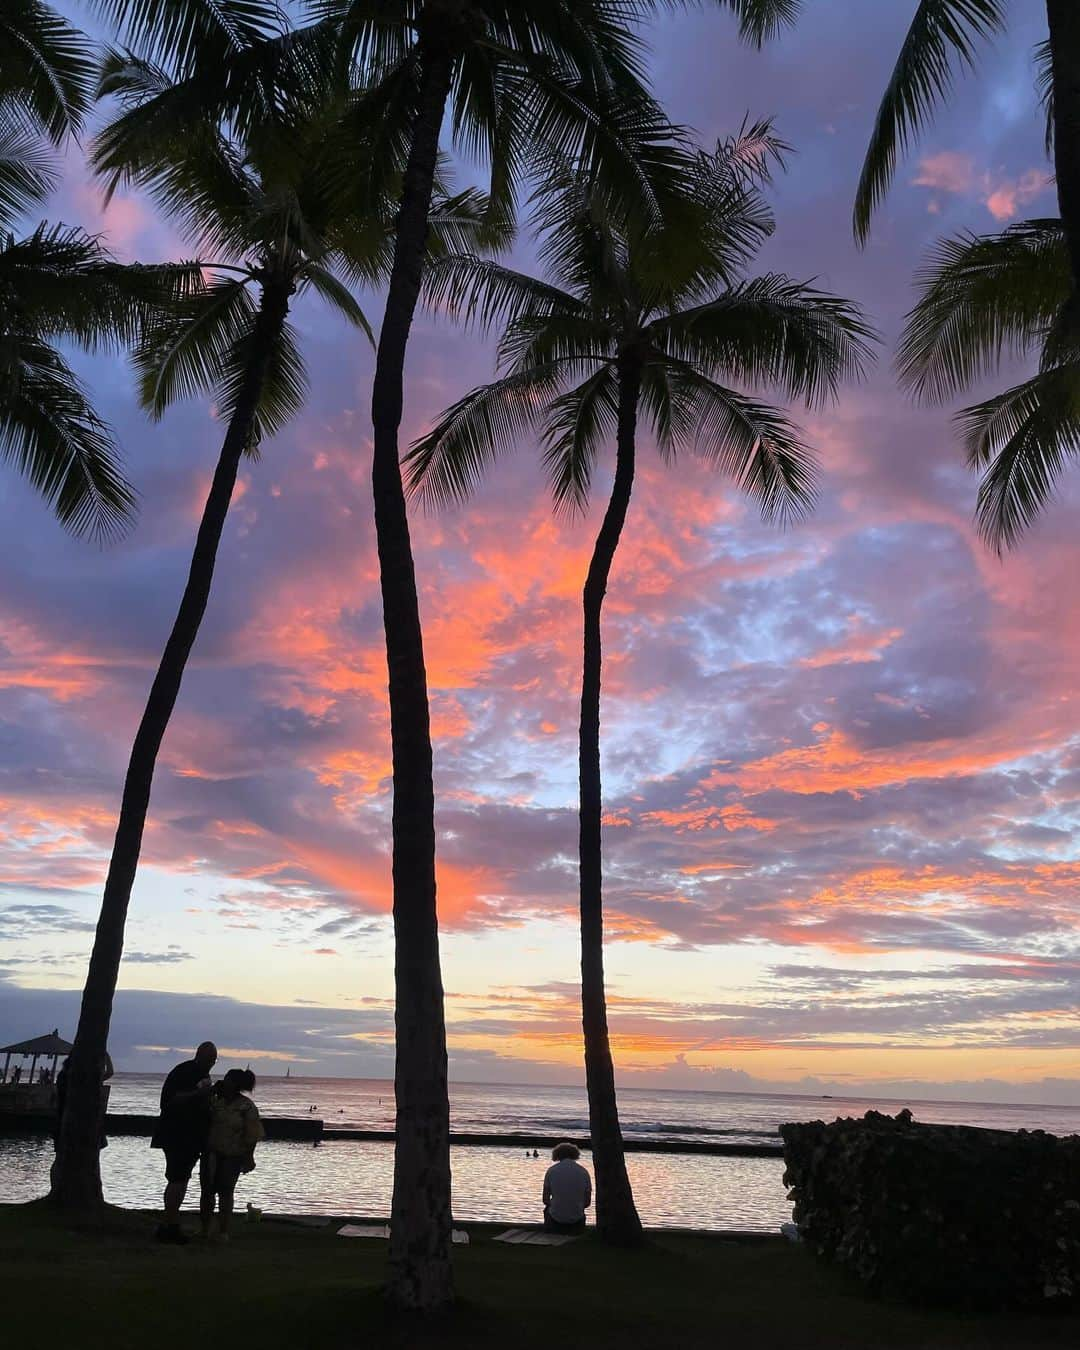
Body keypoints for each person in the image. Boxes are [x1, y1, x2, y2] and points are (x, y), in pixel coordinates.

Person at [151, 1041, 217, 1244]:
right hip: (177, 1134)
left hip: (189, 1136)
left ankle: (170, 1222)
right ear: (199, 1055)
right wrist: (200, 1094)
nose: (212, 1063)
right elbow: (171, 1101)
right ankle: (169, 1225)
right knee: (177, 1179)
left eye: (214, 1060)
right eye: (209, 1059)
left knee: (179, 1179)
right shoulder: (185, 1071)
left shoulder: (200, 1074)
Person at [199, 1069, 264, 1242]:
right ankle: (205, 1229)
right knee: (207, 1192)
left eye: (227, 1080)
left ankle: (223, 1231)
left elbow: (252, 1134)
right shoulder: (215, 1102)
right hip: (211, 1152)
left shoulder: (246, 1106)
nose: (223, 1082)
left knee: (226, 1192)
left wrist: (249, 1157)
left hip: (232, 1155)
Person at [542, 1141, 592, 1234]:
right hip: (577, 1218)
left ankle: (550, 1231)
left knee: (547, 1210)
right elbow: (587, 1202)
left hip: (555, 1218)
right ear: (575, 1155)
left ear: (556, 1155)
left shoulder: (551, 1171)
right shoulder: (584, 1172)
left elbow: (545, 1200)